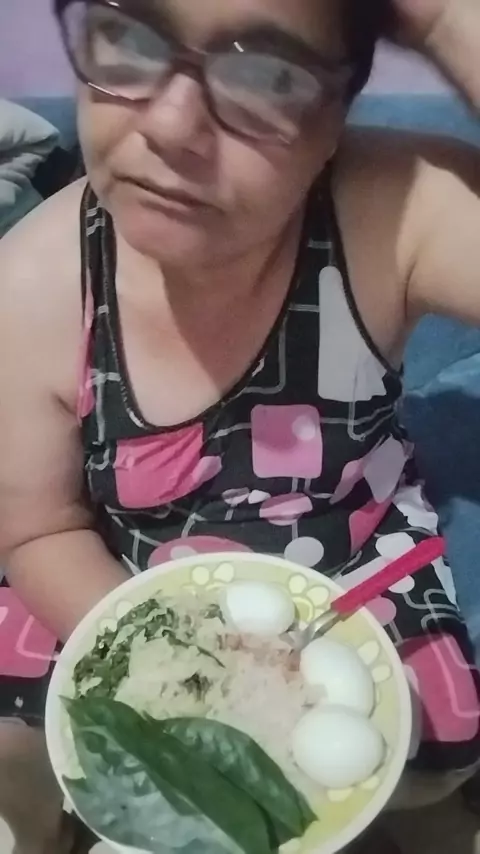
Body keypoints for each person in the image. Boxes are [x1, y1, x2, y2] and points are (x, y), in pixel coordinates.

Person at [0, 0, 480, 851]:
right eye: (127, 36)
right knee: (12, 740)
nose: (170, 127)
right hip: (122, 568)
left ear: (335, 116)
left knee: (434, 748)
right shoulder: (31, 285)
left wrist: (449, 22)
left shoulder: (393, 215)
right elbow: (39, 527)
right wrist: (181, 667)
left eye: (267, 75)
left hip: (354, 552)